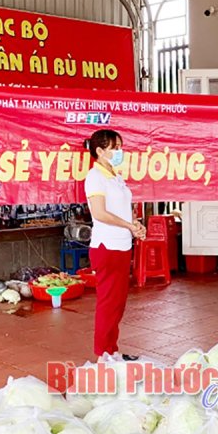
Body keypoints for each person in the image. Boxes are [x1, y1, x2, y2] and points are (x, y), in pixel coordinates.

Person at [83, 129, 146, 360]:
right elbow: (99, 213)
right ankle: (103, 355)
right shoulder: (95, 177)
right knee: (108, 303)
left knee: (118, 303)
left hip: (122, 245)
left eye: (121, 146)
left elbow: (122, 210)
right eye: (114, 148)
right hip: (106, 247)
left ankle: (112, 351)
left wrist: (135, 224)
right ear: (99, 151)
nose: (120, 151)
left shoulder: (115, 175)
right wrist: (128, 226)